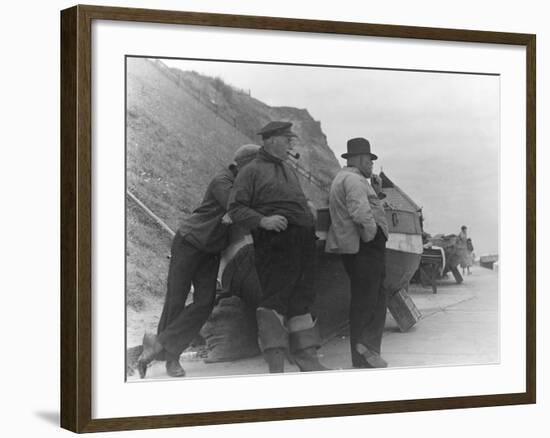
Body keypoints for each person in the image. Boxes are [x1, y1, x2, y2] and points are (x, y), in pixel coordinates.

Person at [137, 144, 260, 379]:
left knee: (205, 302)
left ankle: (158, 344)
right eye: (256, 167)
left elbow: (240, 210)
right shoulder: (222, 181)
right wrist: (237, 211)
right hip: (189, 243)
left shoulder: (241, 184)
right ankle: (171, 359)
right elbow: (237, 208)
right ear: (244, 165)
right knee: (176, 298)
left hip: (211, 250)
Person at [227, 121, 328, 373]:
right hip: (275, 244)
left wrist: (307, 206)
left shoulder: (288, 169)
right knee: (276, 300)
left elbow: (294, 198)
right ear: (271, 141)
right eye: (287, 140)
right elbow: (235, 208)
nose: (291, 144)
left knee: (302, 298)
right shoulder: (251, 171)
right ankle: (276, 366)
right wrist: (263, 221)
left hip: (303, 241)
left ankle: (307, 358)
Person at [326, 137, 389, 368]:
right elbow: (360, 213)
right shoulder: (353, 180)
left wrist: (376, 192)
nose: (372, 164)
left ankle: (364, 353)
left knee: (368, 298)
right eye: (369, 159)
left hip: (358, 247)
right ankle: (365, 348)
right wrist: (371, 236)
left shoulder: (347, 178)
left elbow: (365, 206)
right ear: (359, 159)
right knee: (370, 299)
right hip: (365, 248)